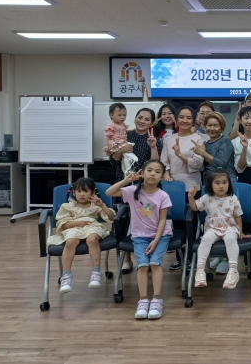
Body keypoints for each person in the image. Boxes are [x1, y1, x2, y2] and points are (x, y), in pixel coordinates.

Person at [106, 160, 172, 320]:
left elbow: (163, 220)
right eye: (149, 170)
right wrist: (127, 180)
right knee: (142, 265)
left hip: (160, 235)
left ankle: (156, 299)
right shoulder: (132, 190)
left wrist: (156, 240)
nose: (153, 174)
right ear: (142, 172)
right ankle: (143, 300)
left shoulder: (163, 195)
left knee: (155, 263)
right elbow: (109, 192)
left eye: (157, 172)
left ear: (162, 176)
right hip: (140, 236)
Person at [109, 107, 162, 274]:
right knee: (123, 220)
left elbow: (156, 165)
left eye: (147, 119)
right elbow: (113, 160)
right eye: (140, 117)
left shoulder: (155, 140)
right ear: (135, 118)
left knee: (147, 220)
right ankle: (127, 259)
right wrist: (121, 150)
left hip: (145, 188)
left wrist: (153, 147)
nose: (142, 121)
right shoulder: (124, 135)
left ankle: (148, 256)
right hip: (124, 183)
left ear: (152, 123)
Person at [48, 177, 115, 293]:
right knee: (70, 241)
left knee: (92, 238)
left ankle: (96, 272)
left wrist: (102, 205)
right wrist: (77, 223)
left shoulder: (95, 206)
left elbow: (111, 217)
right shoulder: (67, 206)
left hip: (92, 226)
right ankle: (66, 276)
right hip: (73, 227)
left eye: (85, 191)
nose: (82, 194)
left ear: (92, 193)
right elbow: (62, 224)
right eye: (79, 191)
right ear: (74, 193)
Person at [187, 169, 251, 289]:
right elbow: (195, 207)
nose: (221, 186)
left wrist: (240, 231)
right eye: (217, 183)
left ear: (229, 184)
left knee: (230, 239)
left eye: (224, 182)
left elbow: (238, 216)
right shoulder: (207, 197)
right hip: (212, 228)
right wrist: (191, 197)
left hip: (230, 227)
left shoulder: (233, 198)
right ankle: (200, 270)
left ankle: (233, 270)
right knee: (205, 240)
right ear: (211, 185)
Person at [191, 112, 237, 274]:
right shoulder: (205, 143)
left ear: (222, 127)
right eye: (209, 125)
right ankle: (220, 255)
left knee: (226, 219)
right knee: (214, 220)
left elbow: (221, 164)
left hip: (225, 183)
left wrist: (202, 152)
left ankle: (226, 258)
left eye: (215, 125)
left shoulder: (225, 141)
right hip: (210, 184)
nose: (212, 128)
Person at [160, 106, 205, 271]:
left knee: (192, 224)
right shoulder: (169, 139)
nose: (184, 120)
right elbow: (164, 161)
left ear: (193, 121)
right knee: (177, 224)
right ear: (176, 119)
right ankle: (181, 258)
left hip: (192, 187)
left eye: (188, 117)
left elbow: (198, 164)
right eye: (181, 117)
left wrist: (180, 155)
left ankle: (193, 259)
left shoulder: (198, 139)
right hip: (173, 188)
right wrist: (166, 173)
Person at [103, 102, 138, 176]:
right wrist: (106, 146)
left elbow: (124, 131)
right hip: (116, 144)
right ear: (111, 115)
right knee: (127, 154)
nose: (123, 117)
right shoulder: (111, 125)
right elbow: (107, 136)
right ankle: (128, 169)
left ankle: (127, 170)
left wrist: (131, 130)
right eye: (120, 115)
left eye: (124, 115)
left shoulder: (122, 124)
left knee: (125, 157)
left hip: (122, 142)